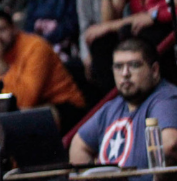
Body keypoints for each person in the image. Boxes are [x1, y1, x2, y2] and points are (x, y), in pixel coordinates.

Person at [71, 38, 177, 169]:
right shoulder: (112, 106)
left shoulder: (164, 98)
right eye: (118, 67)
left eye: (134, 65)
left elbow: (169, 145)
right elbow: (79, 145)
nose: (125, 73)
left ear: (154, 70)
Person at [0, 10, 85, 124]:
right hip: (24, 108)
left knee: (20, 120)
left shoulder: (35, 47)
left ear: (14, 29)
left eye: (2, 30)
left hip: (64, 105)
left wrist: (1, 67)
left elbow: (25, 101)